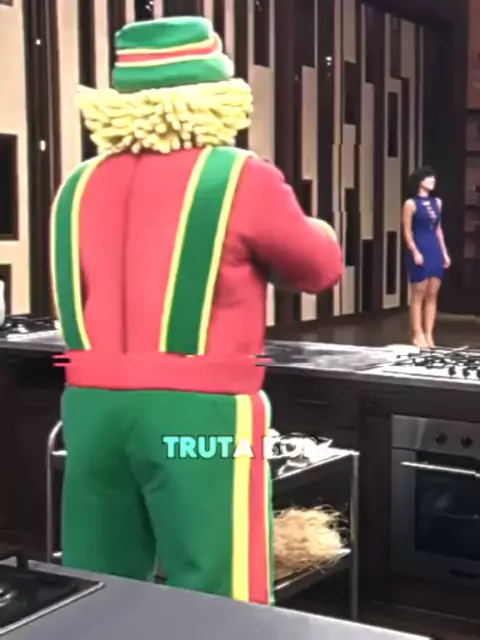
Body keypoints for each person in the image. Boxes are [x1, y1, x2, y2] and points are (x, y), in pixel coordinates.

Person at [49, 17, 343, 605]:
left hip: (90, 414)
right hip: (200, 424)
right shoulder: (239, 177)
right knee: (219, 588)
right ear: (216, 95)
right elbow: (318, 270)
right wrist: (319, 228)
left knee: (96, 588)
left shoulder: (77, 184)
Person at [402, 166, 451, 348]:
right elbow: (407, 231)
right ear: (420, 181)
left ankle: (430, 334)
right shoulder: (410, 204)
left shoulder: (437, 202)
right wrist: (414, 251)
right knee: (418, 294)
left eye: (433, 178)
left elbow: (438, 229)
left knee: (432, 293)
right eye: (428, 177)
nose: (432, 180)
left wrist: (444, 252)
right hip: (419, 247)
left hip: (433, 248)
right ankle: (418, 333)